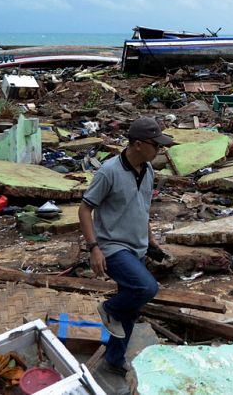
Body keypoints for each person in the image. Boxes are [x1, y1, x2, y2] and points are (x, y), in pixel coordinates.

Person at [78, 116, 172, 377]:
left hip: (138, 247)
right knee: (146, 287)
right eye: (157, 145)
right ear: (139, 144)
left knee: (129, 312)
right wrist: (93, 248)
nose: (160, 150)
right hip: (113, 246)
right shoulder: (109, 172)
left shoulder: (148, 171)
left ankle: (114, 358)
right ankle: (108, 308)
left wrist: (151, 241)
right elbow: (85, 210)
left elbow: (143, 210)